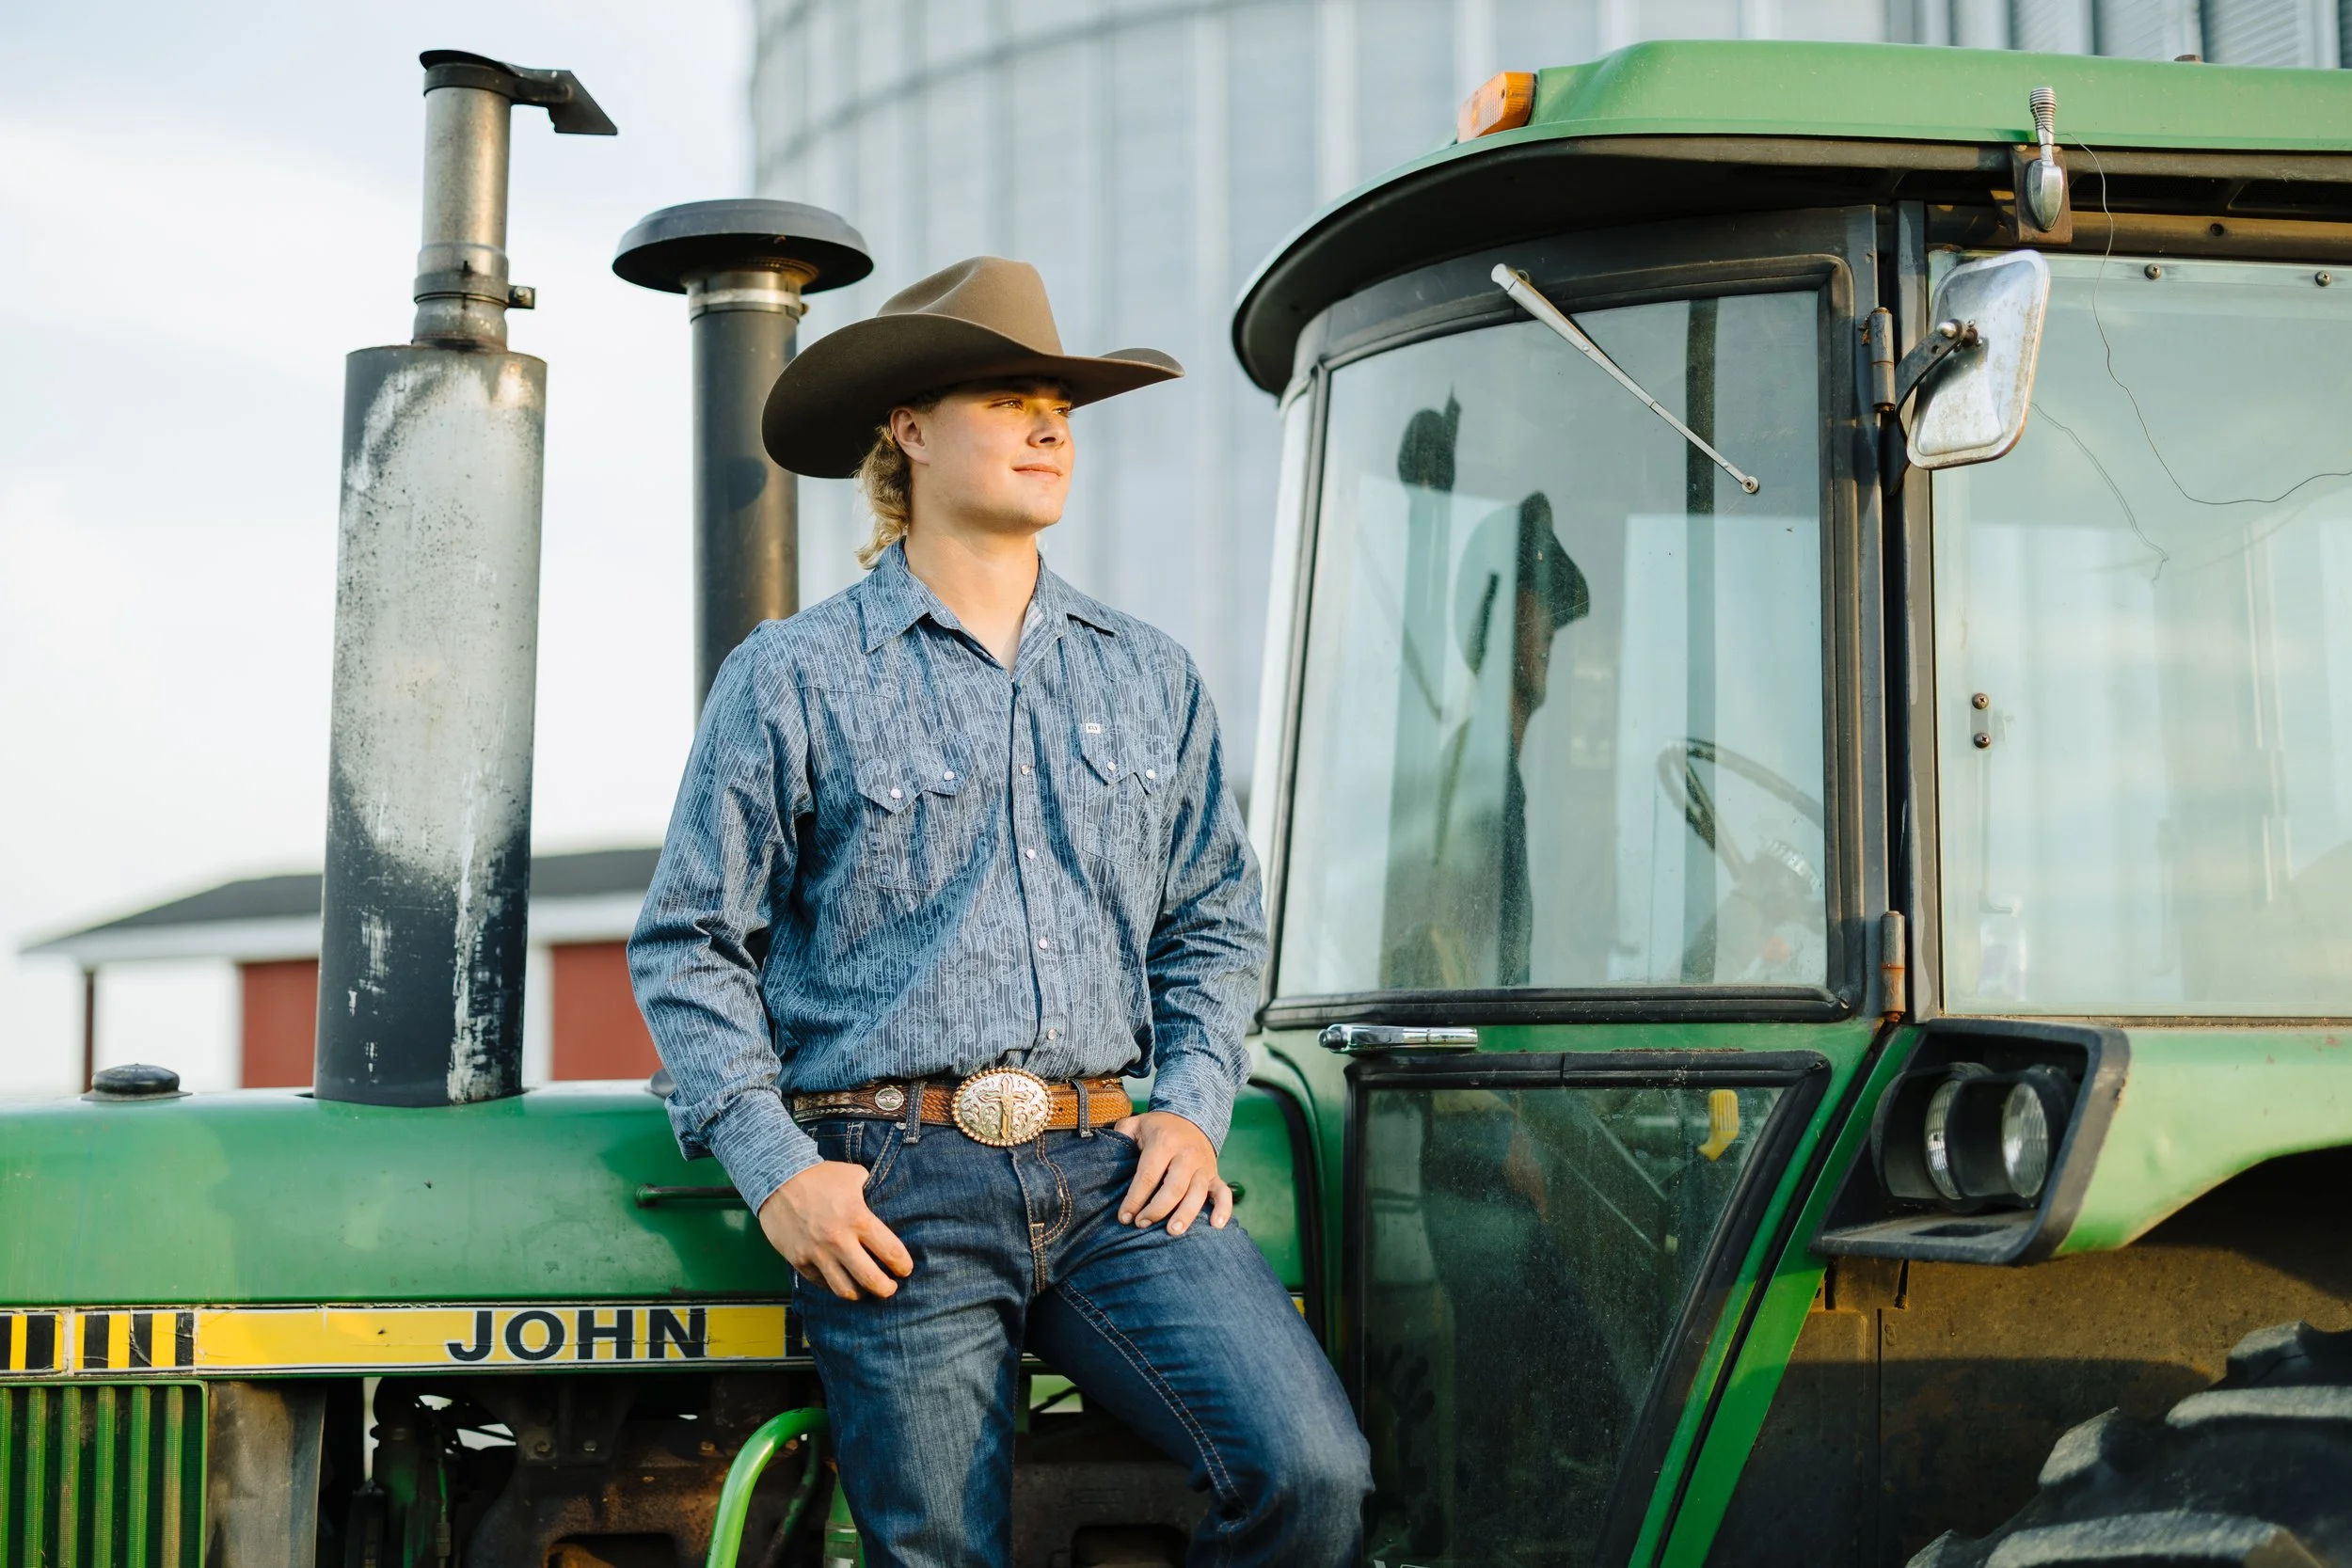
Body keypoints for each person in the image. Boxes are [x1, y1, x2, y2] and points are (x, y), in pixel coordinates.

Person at [628, 257, 1370, 1567]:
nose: (1048, 426)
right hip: (892, 1177)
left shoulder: (1149, 675)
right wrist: (777, 1169)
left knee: (1310, 1474)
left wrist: (1192, 1106)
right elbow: (691, 943)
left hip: (1111, 1173)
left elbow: (1210, 919)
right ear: (908, 430)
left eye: (1062, 407)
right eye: (1010, 397)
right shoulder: (794, 677)